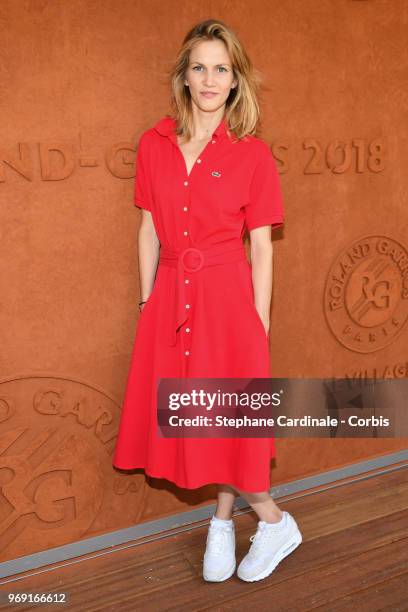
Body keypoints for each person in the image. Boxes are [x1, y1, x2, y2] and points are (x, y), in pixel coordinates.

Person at [112, 18, 302, 583]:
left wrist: (258, 323)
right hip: (169, 299)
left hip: (228, 301)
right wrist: (148, 303)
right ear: (185, 77)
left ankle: (265, 520)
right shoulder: (154, 144)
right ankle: (232, 520)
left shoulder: (252, 156)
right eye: (200, 67)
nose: (211, 78)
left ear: (236, 79)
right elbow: (148, 229)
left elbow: (263, 249)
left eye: (222, 68)